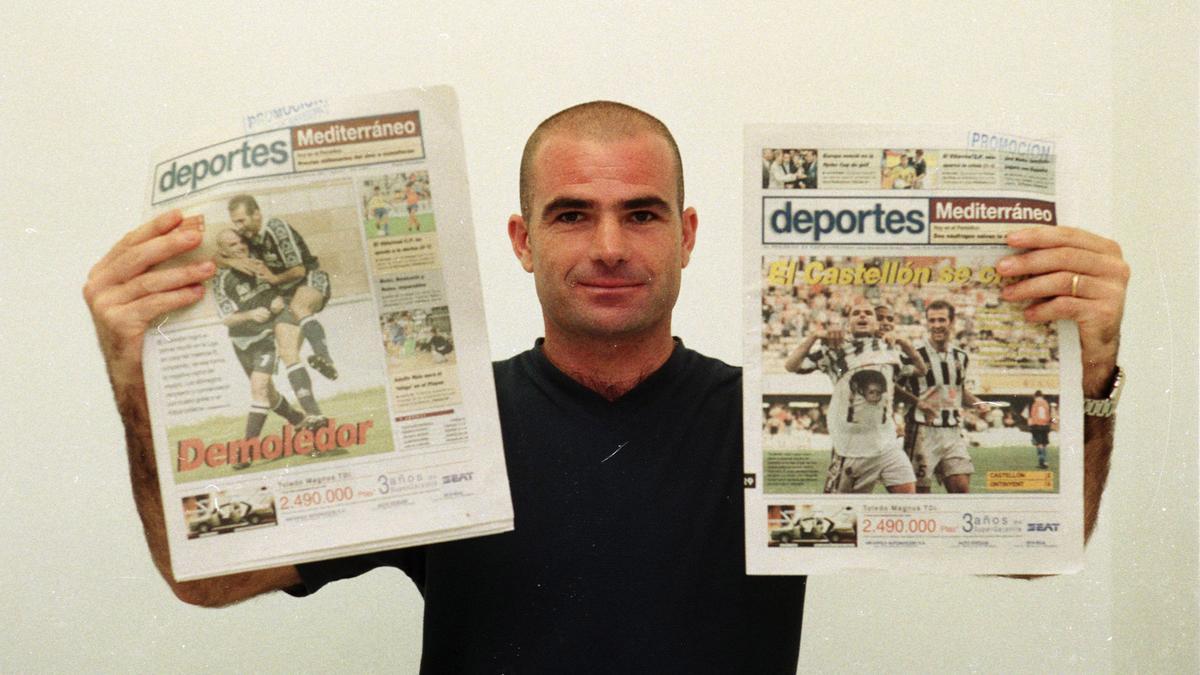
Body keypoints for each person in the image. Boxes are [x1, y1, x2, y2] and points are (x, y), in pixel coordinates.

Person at [83, 100, 1128, 672]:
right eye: (574, 214)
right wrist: (138, 383)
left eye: (641, 211)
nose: (611, 245)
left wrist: (1091, 370)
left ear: (687, 235)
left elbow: (1038, 553)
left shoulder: (764, 426)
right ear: (523, 242)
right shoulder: (445, 425)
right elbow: (207, 579)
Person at [785, 302, 927, 494]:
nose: (862, 316)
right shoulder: (835, 349)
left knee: (908, 498)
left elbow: (921, 370)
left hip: (887, 444)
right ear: (848, 323)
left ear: (876, 324)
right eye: (856, 313)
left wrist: (905, 344)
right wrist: (814, 336)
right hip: (851, 448)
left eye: (868, 313)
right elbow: (792, 365)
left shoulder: (889, 348)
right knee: (840, 511)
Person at [212, 229, 311, 469]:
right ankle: (297, 418)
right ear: (224, 251)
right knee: (268, 393)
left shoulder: (262, 262)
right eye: (232, 244)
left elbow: (290, 282)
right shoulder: (222, 279)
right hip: (241, 340)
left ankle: (245, 451)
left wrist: (280, 302)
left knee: (259, 390)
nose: (239, 246)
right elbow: (226, 317)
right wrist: (249, 314)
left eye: (241, 241)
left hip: (267, 336)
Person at [225, 194, 339, 382]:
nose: (239, 227)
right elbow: (218, 255)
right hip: (286, 293)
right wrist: (231, 261)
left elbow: (299, 270)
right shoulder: (246, 237)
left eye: (241, 221)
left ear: (256, 214)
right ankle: (312, 412)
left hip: (309, 279)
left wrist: (274, 278)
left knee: (299, 307)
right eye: (235, 223)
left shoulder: (275, 227)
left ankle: (325, 357)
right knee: (287, 352)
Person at [904, 300, 992, 493]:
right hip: (922, 433)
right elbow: (897, 390)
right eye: (932, 320)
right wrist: (917, 403)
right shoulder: (914, 355)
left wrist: (979, 403)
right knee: (920, 497)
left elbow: (958, 391)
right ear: (927, 323)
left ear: (951, 322)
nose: (936, 325)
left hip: (952, 433)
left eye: (942, 320)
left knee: (961, 489)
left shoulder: (961, 357)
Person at [1029, 389, 1053, 468]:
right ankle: (1045, 461)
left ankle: (1041, 462)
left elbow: (1033, 415)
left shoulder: (1035, 404)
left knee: (1038, 444)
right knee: (1044, 444)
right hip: (1045, 425)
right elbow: (1049, 415)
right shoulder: (1046, 403)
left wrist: (1031, 425)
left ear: (1035, 396)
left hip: (1037, 425)